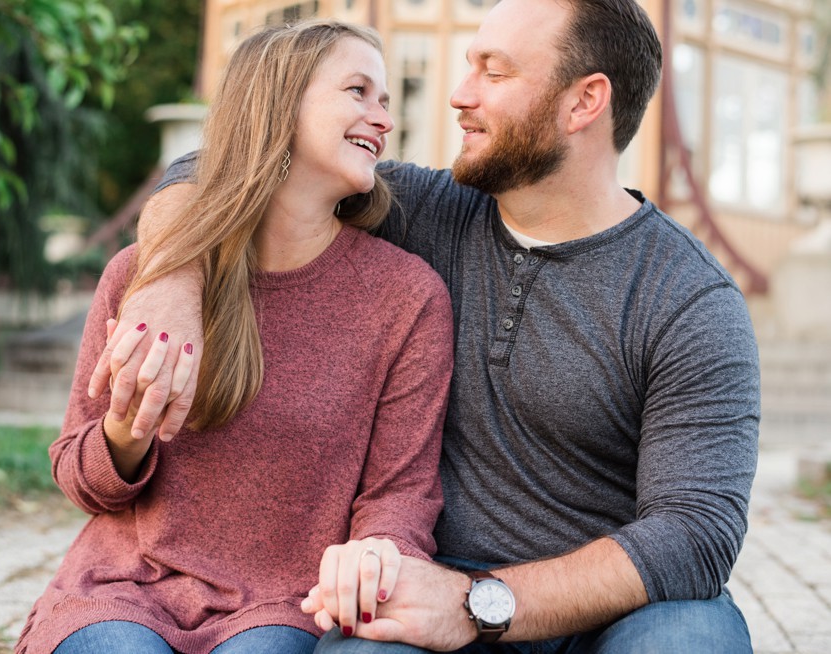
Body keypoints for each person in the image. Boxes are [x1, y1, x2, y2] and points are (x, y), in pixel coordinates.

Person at [95, 0, 761, 651]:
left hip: (603, 619)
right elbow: (228, 167)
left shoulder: (691, 300)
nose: (458, 95)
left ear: (583, 102)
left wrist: (477, 606)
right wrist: (170, 277)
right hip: (417, 596)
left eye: (494, 73)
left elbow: (694, 534)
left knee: (695, 636)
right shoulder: (423, 209)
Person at [16, 20, 455, 654]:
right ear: (279, 104)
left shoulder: (407, 298)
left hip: (285, 603)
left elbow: (401, 494)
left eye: (385, 100)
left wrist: (376, 553)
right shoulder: (146, 277)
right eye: (358, 91)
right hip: (124, 587)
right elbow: (81, 481)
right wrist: (125, 435)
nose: (382, 118)